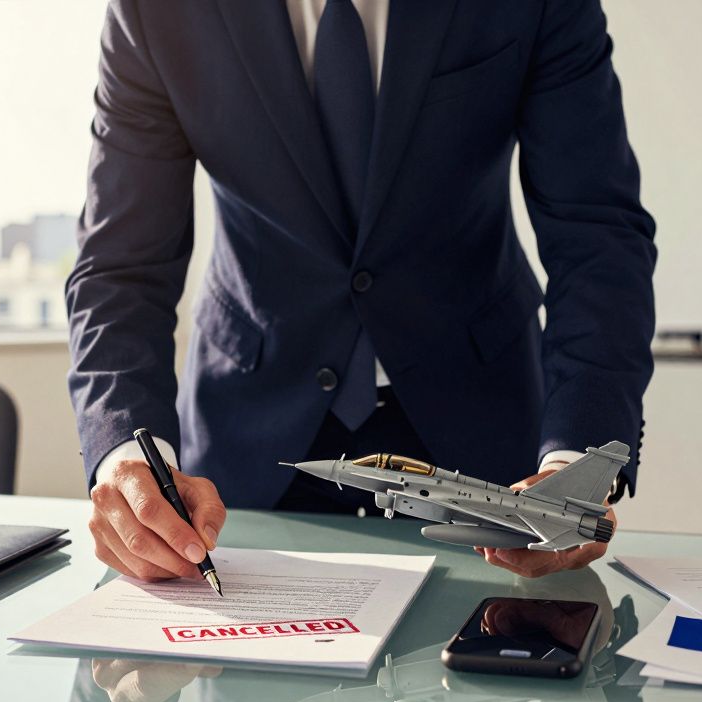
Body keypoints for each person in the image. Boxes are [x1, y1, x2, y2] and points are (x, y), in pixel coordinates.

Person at [66, 0, 656, 580]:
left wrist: (576, 458)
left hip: (488, 445)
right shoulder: (154, 10)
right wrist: (127, 454)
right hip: (242, 450)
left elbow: (598, 235)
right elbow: (121, 264)